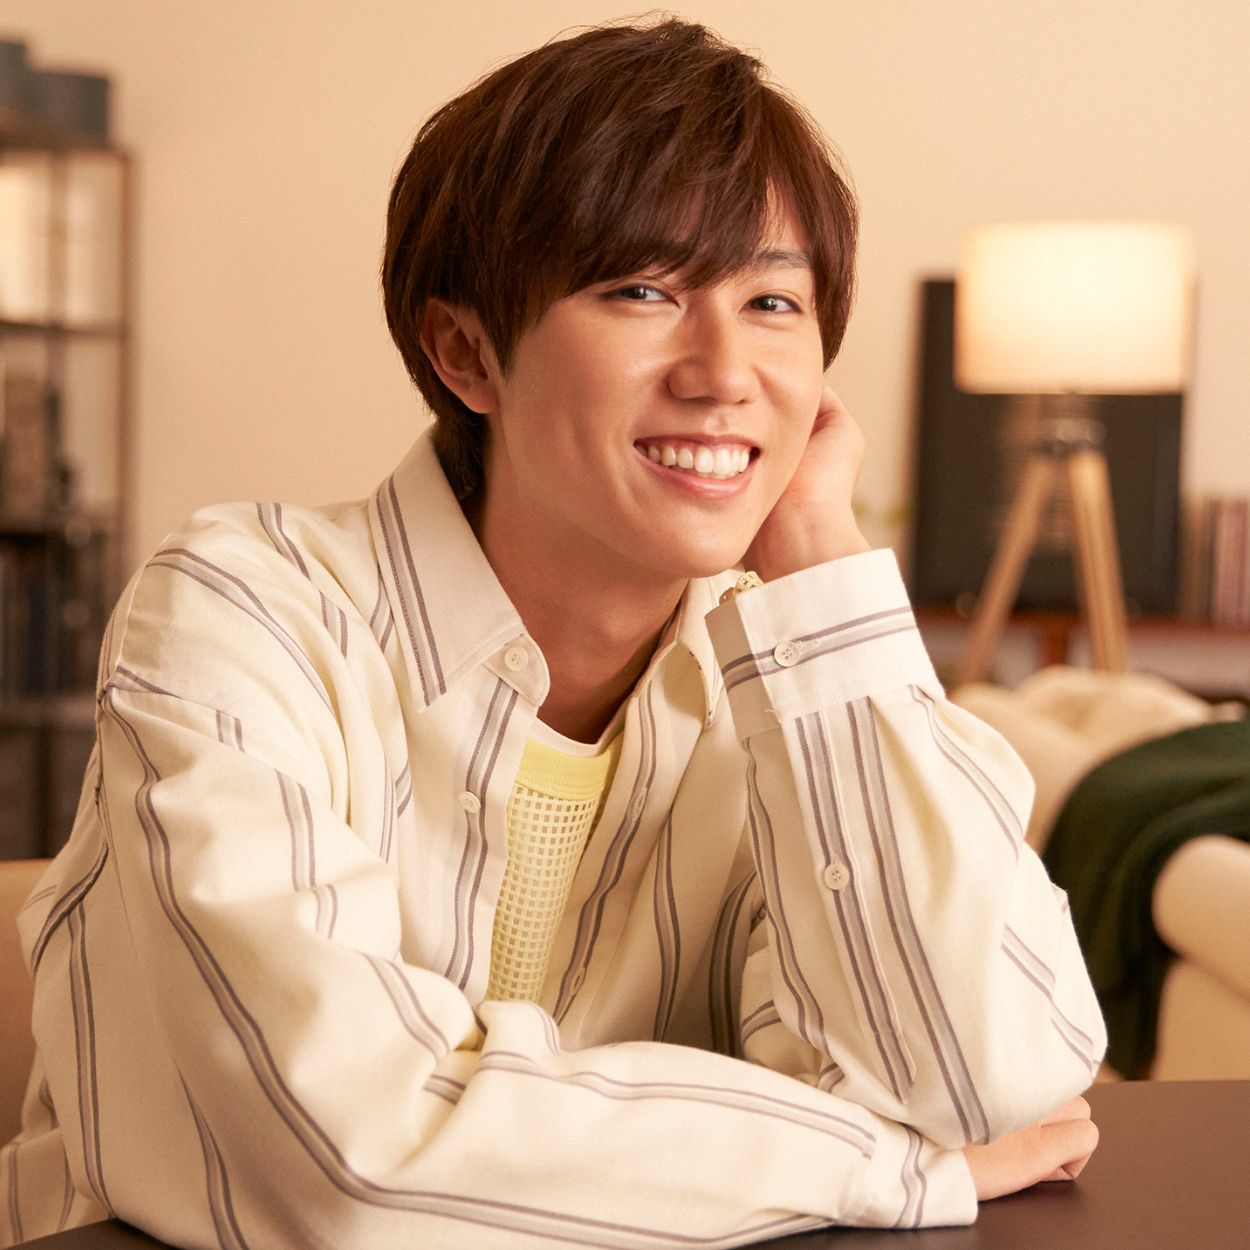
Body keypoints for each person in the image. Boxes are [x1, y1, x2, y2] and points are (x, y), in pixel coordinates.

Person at [1, 18, 1104, 1249]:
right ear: (464, 351)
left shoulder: (785, 684)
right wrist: (884, 1165)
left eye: (771, 300)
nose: (723, 371)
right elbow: (352, 1162)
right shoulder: (242, 608)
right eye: (641, 291)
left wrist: (815, 553)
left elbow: (979, 1076)